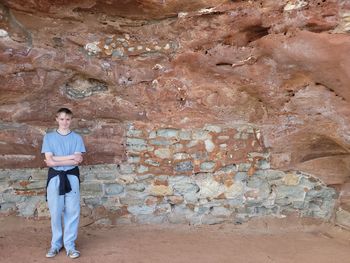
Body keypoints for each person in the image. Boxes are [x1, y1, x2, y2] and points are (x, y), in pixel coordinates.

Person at [41, 108, 86, 259]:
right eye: (61, 119)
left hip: (71, 177)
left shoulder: (77, 138)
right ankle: (55, 244)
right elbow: (49, 161)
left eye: (67, 119)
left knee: (72, 212)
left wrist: (57, 159)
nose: (64, 122)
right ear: (56, 119)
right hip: (55, 178)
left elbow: (78, 159)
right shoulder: (49, 137)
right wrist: (69, 158)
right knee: (55, 212)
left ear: (71, 120)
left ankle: (70, 245)